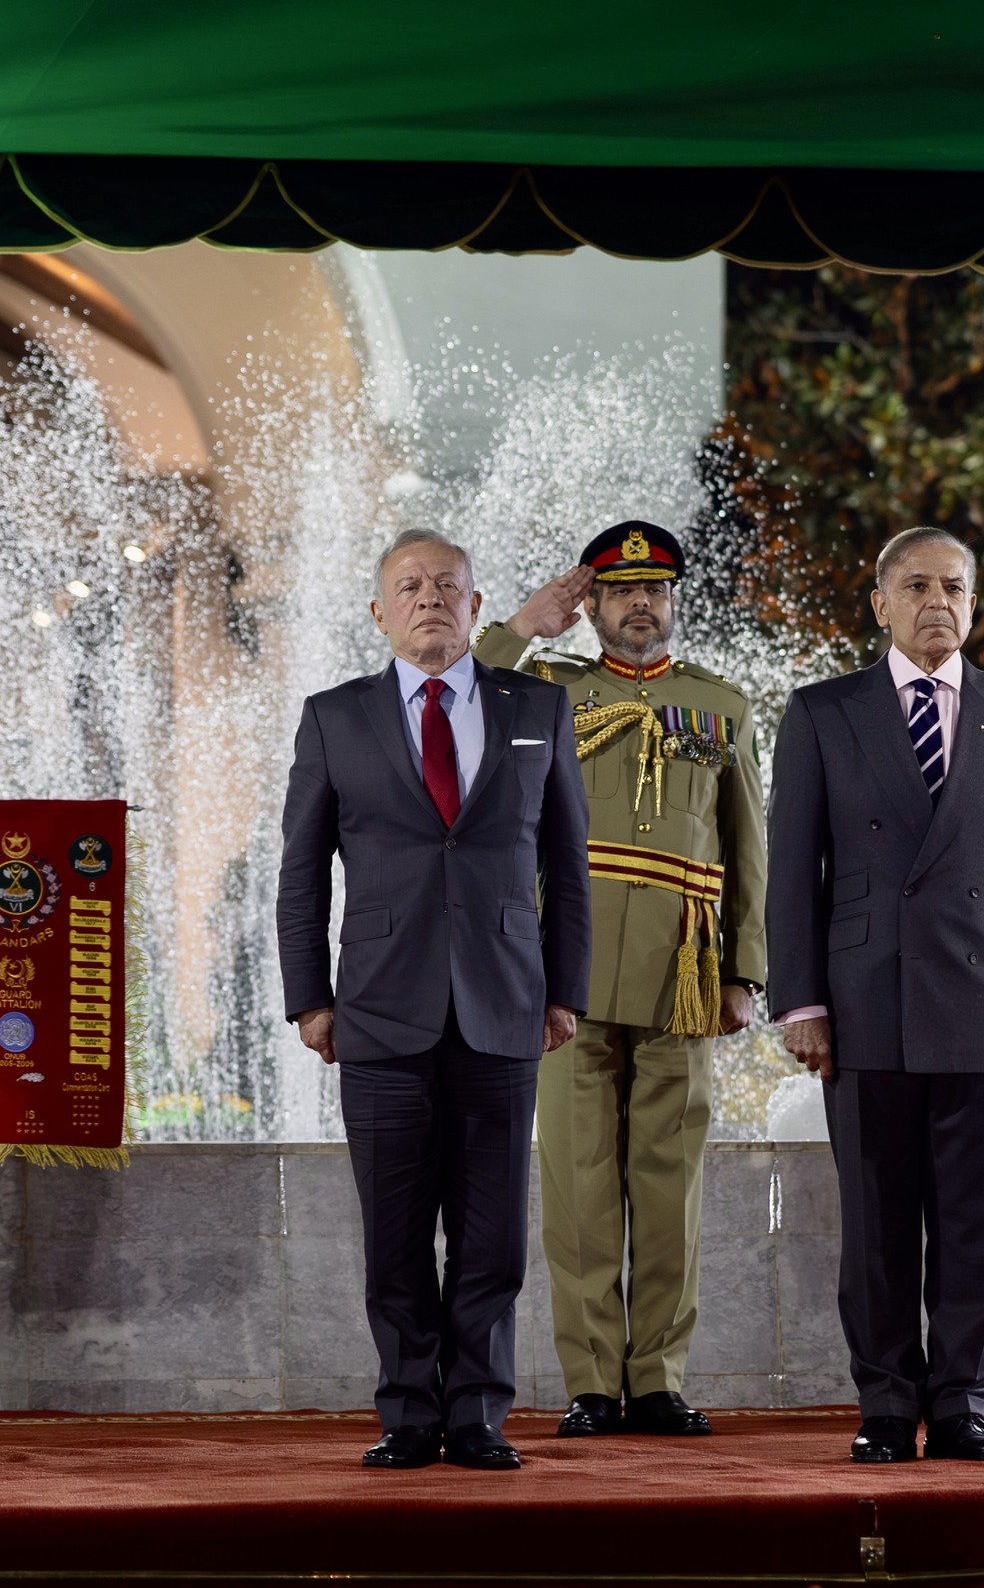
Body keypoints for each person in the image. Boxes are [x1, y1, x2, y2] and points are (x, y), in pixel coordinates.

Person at [276, 527, 591, 1472]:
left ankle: (479, 1413)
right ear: (380, 613)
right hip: (377, 1012)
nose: (430, 599)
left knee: (493, 1236)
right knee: (398, 1233)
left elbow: (567, 868)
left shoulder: (539, 707)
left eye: (448, 586)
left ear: (476, 606)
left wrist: (566, 991)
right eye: (410, 587)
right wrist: (310, 1000)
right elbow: (301, 875)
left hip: (505, 1006)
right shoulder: (334, 717)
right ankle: (410, 1412)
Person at [767, 526, 984, 1465]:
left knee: (972, 1224)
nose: (935, 601)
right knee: (875, 1227)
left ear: (974, 604)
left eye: (952, 587)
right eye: (915, 586)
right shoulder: (823, 712)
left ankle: (961, 1404)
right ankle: (884, 1403)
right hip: (865, 999)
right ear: (880, 603)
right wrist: (800, 1002)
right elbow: (794, 873)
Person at [474, 520, 766, 1439]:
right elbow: (453, 696)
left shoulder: (721, 706)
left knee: (671, 1192)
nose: (642, 603)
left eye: (656, 589)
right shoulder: (548, 692)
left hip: (684, 976)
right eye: (622, 590)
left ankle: (659, 1381)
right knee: (579, 1189)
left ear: (673, 601)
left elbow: (749, 852)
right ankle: (593, 1384)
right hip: (567, 978)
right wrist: (523, 625)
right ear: (592, 605)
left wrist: (745, 973)